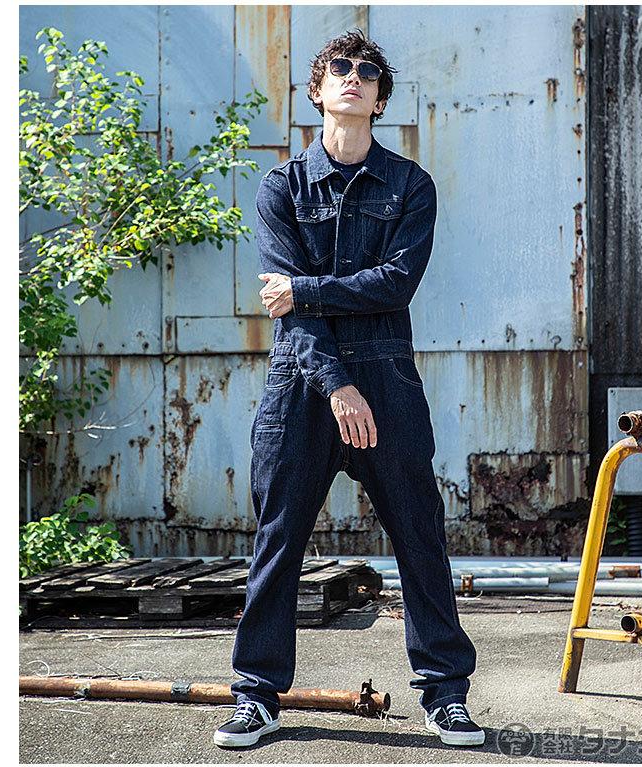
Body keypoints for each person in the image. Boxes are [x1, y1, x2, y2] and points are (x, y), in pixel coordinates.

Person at [213, 28, 484, 749]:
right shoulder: (281, 188)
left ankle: (446, 695)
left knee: (419, 538)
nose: (353, 77)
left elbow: (394, 284)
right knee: (277, 543)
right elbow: (292, 318)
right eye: (340, 67)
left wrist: (304, 288)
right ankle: (256, 696)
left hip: (387, 381)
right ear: (317, 89)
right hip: (301, 385)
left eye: (367, 71)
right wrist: (336, 385)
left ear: (380, 99)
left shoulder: (410, 186)